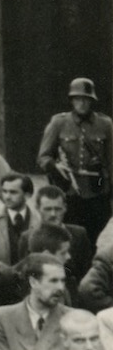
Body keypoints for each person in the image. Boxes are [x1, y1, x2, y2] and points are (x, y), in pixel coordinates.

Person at [37, 77, 113, 243]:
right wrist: (55, 167)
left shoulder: (105, 124)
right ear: (71, 100)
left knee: (98, 238)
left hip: (98, 192)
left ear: (92, 101)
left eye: (86, 99)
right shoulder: (59, 123)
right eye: (78, 99)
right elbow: (43, 157)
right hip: (69, 192)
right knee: (70, 239)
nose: (82, 103)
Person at [19, 185, 93, 303]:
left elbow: (86, 270)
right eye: (47, 209)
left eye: (57, 209)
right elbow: (24, 275)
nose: (53, 214)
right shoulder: (27, 237)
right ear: (38, 208)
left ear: (65, 208)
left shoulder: (79, 234)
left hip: (73, 299)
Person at [0, 253, 70, 350]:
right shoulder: (2, 318)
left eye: (63, 281)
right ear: (33, 282)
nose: (61, 287)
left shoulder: (72, 318)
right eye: (53, 281)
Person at [0, 173, 41, 267]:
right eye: (4, 191)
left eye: (13, 192)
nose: (7, 197)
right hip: (0, 277)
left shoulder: (40, 221)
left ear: (27, 195)